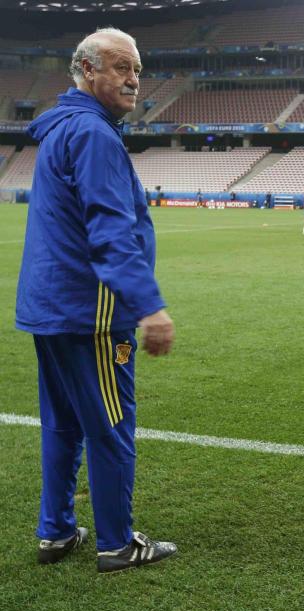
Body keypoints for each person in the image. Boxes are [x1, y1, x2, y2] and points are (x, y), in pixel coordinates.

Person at [17, 27, 176, 574]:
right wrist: (148, 305)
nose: (134, 78)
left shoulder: (64, 128)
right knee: (110, 427)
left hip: (50, 304)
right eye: (120, 67)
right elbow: (110, 233)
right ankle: (116, 542)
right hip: (92, 313)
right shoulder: (94, 135)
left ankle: (56, 532)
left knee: (62, 423)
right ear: (87, 70)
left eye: (138, 68)